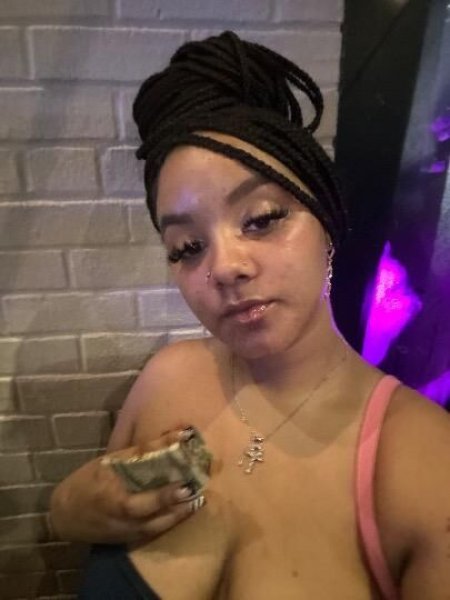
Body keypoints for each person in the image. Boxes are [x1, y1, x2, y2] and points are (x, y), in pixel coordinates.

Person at [50, 31, 450, 599]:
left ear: (326, 219)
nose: (225, 267)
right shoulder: (169, 379)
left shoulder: (425, 468)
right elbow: (78, 515)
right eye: (188, 247)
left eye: (261, 219)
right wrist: (71, 506)